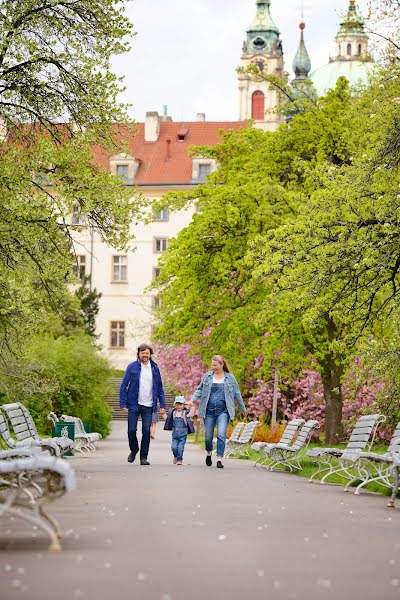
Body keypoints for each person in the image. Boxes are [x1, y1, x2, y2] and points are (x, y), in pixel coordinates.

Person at [191, 355, 246, 469]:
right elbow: (200, 390)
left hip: (223, 411)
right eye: (212, 365)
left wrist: (243, 408)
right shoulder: (207, 376)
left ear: (222, 364)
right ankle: (209, 453)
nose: (213, 367)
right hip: (209, 411)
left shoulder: (230, 378)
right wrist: (192, 400)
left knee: (221, 434)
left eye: (215, 365)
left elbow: (237, 393)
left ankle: (219, 458)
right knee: (208, 437)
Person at [120, 344, 166, 465]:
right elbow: (123, 385)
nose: (145, 355)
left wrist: (163, 405)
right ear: (139, 354)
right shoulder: (132, 367)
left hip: (149, 405)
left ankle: (143, 457)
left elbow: (160, 387)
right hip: (133, 404)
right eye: (142, 353)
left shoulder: (155, 368)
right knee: (131, 430)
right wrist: (123, 403)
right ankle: (134, 449)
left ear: (150, 354)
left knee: (146, 431)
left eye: (147, 353)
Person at [164, 396, 195, 465]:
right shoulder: (173, 412)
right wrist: (163, 414)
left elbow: (191, 415)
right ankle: (176, 456)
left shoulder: (185, 412)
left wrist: (192, 408)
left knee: (180, 448)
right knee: (174, 447)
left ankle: (180, 459)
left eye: (181, 404)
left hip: (183, 433)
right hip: (175, 433)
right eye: (177, 404)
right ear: (175, 405)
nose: (179, 406)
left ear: (184, 405)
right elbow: (168, 419)